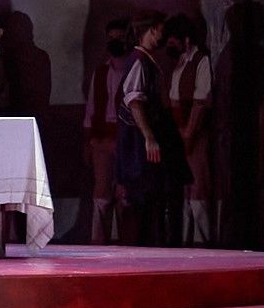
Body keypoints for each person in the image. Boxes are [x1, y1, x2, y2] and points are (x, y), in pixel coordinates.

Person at [116, 13, 189, 247]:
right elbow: (134, 101)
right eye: (160, 30)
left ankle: (153, 243)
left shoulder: (146, 60)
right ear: (151, 30)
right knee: (143, 194)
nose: (162, 36)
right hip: (138, 141)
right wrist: (148, 136)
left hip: (150, 135)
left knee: (153, 194)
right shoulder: (139, 61)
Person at [81, 18, 134, 242]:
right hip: (102, 139)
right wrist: (88, 141)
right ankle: (99, 243)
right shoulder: (101, 72)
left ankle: (128, 243)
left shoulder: (134, 71)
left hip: (126, 140)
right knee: (101, 193)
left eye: (119, 38)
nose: (114, 42)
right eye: (111, 38)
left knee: (125, 193)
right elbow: (91, 109)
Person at [164, 14, 215, 245]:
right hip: (179, 133)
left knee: (198, 189)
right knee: (184, 193)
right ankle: (184, 243)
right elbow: (174, 100)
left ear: (185, 39)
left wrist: (189, 133)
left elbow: (200, 101)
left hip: (196, 134)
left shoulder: (201, 61)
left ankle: (203, 242)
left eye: (173, 41)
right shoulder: (179, 63)